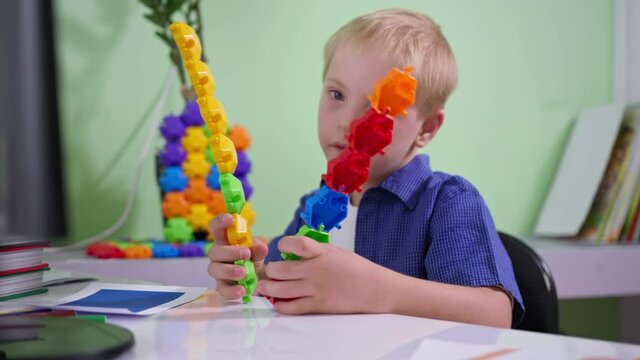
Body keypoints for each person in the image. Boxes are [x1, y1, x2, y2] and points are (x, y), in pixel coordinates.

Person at [208, 8, 523, 328]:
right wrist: (252, 275)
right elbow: (282, 295)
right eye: (337, 94)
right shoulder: (314, 206)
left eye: (379, 107)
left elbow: (494, 315)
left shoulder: (448, 201)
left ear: (426, 128)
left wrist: (374, 289)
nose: (347, 122)